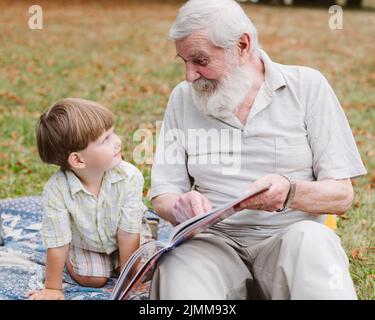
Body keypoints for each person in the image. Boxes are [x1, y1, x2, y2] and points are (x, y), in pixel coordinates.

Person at [149, 0, 367, 299]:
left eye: (200, 60)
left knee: (314, 245)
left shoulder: (307, 86)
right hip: (213, 242)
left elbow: (342, 196)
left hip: (292, 237)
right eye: (184, 61)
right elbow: (164, 192)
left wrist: (290, 192)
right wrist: (179, 206)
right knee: (179, 271)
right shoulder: (183, 97)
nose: (189, 75)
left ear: (242, 45)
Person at [28, 98, 146, 300]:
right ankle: (77, 258)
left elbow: (128, 233)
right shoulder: (57, 190)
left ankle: (145, 231)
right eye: (106, 139)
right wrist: (53, 288)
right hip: (88, 241)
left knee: (146, 267)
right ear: (78, 160)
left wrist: (130, 279)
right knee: (91, 278)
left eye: (112, 133)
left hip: (125, 236)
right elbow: (58, 243)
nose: (117, 141)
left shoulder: (129, 176)